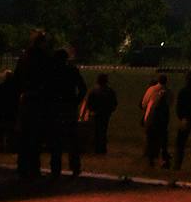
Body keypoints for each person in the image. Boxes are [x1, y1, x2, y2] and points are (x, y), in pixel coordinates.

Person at [14, 31, 53, 179]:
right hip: (38, 100)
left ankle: (22, 166)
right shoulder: (43, 58)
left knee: (25, 135)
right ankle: (34, 168)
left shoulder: (24, 57)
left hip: (26, 99)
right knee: (35, 136)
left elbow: (17, 79)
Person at [47, 48, 87, 178]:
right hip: (69, 107)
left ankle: (55, 168)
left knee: (56, 139)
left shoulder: (52, 72)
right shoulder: (72, 71)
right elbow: (83, 88)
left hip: (56, 107)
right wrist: (75, 101)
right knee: (72, 139)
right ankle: (75, 166)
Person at [141, 72, 173, 168]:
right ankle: (164, 159)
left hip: (151, 118)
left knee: (151, 139)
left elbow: (143, 104)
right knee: (163, 139)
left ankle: (150, 159)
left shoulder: (151, 89)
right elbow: (170, 104)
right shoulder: (169, 92)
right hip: (163, 119)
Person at [84, 73, 118, 155]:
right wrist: (110, 110)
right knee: (103, 130)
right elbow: (114, 103)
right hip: (106, 114)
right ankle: (102, 148)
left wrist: (91, 110)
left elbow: (89, 103)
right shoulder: (110, 91)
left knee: (96, 131)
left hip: (96, 113)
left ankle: (96, 148)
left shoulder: (94, 91)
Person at [0, 70, 19, 154]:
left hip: (1, 112)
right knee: (9, 131)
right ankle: (8, 148)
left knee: (0, 131)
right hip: (10, 112)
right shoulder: (15, 89)